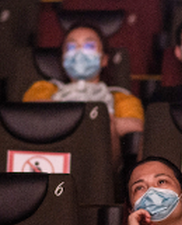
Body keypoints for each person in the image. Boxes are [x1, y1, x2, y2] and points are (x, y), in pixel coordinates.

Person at [23, 23, 144, 169]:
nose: (79, 52)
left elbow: (136, 127)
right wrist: (98, 121)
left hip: (101, 169)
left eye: (89, 46)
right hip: (52, 162)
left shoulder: (121, 97)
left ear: (104, 59)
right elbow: (30, 116)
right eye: (71, 47)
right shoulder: (43, 88)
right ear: (63, 59)